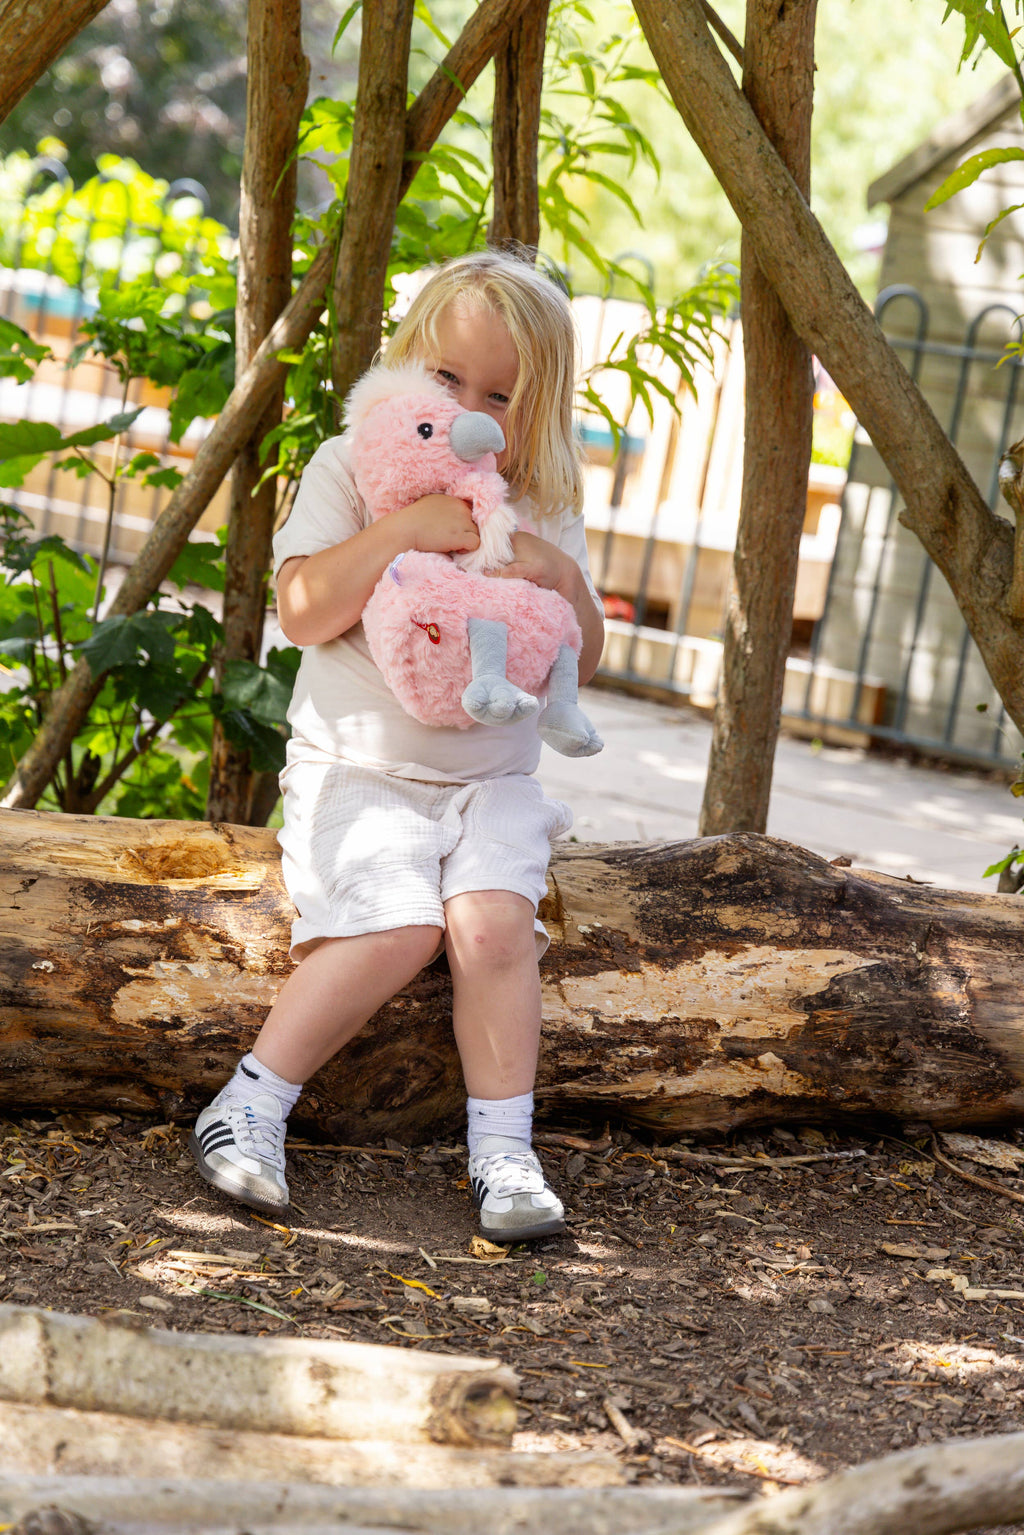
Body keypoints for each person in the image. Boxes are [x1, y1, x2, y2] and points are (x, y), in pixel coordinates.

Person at [189, 250, 605, 1242]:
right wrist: (407, 529)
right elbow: (300, 607)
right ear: (405, 364)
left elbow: (582, 648)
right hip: (362, 770)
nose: (467, 407)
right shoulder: (353, 469)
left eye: (497, 393)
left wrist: (549, 569)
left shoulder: (538, 503)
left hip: (490, 783)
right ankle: (247, 1103)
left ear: (534, 407)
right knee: (396, 924)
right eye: (446, 379)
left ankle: (503, 1149)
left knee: (495, 928)